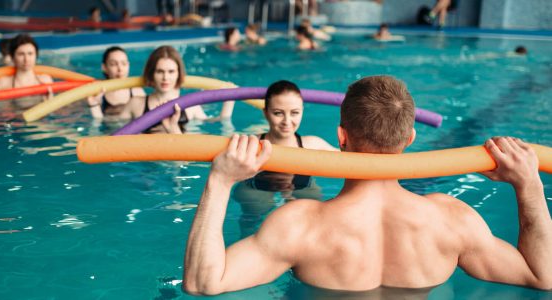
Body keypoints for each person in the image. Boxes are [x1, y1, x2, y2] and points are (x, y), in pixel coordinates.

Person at [183, 75, 552, 295]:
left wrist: (221, 180)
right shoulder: (452, 220)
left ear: (340, 136)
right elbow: (542, 275)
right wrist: (529, 186)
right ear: (409, 138)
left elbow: (203, 283)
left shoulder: (299, 225)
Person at [233, 80, 337, 237]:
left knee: (312, 207)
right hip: (257, 192)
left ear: (302, 111)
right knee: (253, 202)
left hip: (301, 194)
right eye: (278, 113)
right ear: (265, 113)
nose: (287, 122)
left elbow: (353, 161)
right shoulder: (250, 145)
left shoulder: (313, 145)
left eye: (294, 113)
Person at [130, 45, 234, 134]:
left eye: (171, 71)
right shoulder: (136, 104)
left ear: (178, 74)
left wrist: (229, 102)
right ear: (151, 73)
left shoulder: (191, 106)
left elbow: (219, 125)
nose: (165, 78)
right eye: (160, 71)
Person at [0, 34, 53, 108]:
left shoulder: (45, 80)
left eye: (30, 54)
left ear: (36, 56)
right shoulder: (3, 83)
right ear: (12, 57)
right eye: (21, 54)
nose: (26, 59)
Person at [87, 46, 146, 119]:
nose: (120, 69)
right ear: (104, 67)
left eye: (124, 64)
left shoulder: (137, 92)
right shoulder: (98, 94)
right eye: (113, 64)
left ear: (128, 65)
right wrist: (94, 105)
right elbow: (97, 124)